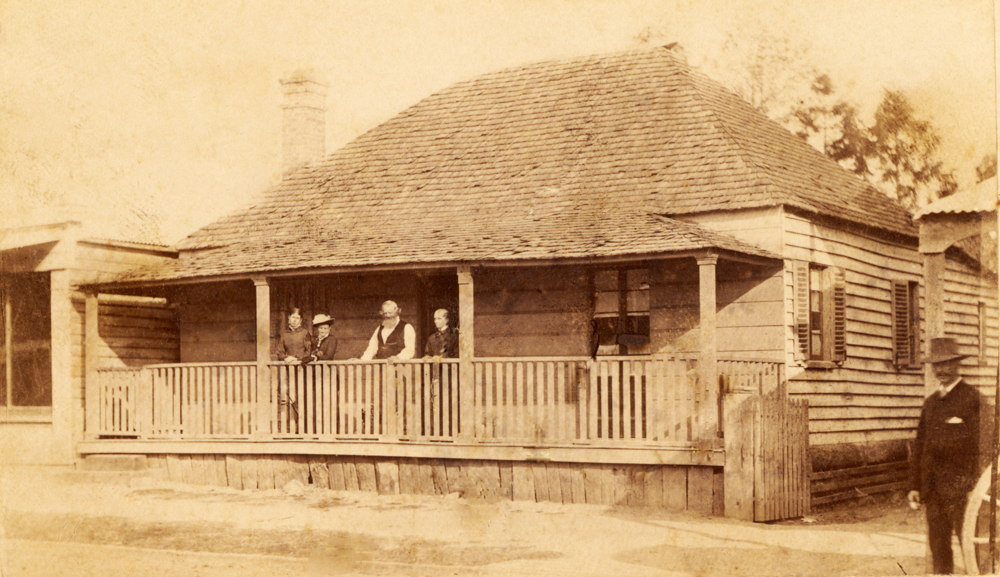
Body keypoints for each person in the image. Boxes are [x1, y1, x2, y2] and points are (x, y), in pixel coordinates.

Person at [908, 337, 982, 575]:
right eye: (936, 364)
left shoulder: (972, 398)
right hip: (934, 491)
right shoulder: (930, 403)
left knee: (972, 549)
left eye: (946, 363)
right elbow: (920, 446)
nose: (941, 369)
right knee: (939, 548)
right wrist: (915, 485)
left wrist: (974, 486)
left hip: (963, 490)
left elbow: (983, 447)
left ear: (957, 364)